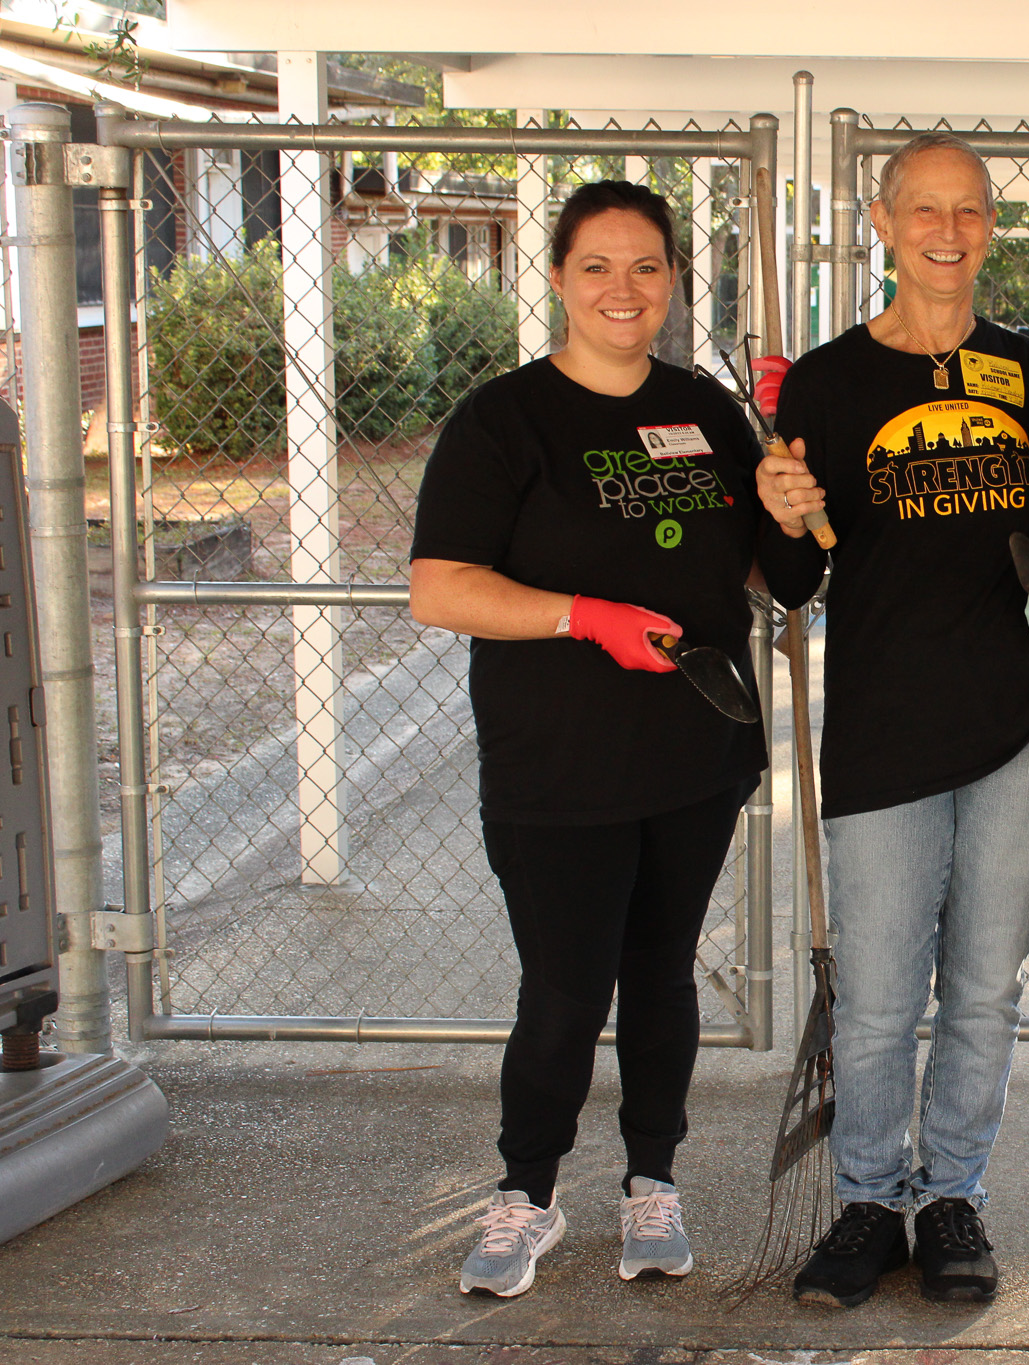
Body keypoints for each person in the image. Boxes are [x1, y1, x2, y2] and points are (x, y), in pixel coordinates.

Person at [409, 180, 800, 1298]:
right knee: (566, 993)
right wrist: (585, 617)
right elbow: (439, 589)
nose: (622, 290)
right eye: (596, 267)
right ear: (557, 278)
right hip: (556, 764)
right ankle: (525, 1195)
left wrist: (784, 498)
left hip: (692, 752)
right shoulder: (505, 420)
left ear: (673, 279)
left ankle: (651, 1181)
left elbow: (758, 566)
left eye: (644, 268)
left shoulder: (711, 412)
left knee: (659, 976)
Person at [756, 131, 1029, 1309]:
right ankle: (865, 1201)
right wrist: (783, 512)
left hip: (1021, 728)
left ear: (989, 228)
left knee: (986, 982)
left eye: (969, 211)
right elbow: (793, 583)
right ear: (883, 220)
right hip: (885, 732)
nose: (946, 232)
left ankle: (951, 1196)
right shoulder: (828, 382)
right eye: (923, 210)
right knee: (880, 988)